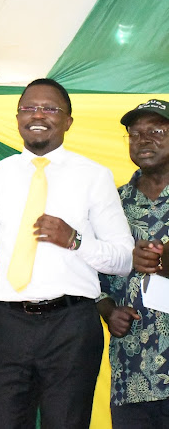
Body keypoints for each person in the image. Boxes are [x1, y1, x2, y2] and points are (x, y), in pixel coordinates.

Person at [0, 78, 134, 428]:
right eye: (28, 108)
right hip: (7, 325)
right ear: (18, 116)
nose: (38, 115)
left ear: (68, 120)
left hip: (71, 326)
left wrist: (76, 240)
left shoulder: (95, 177)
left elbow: (124, 257)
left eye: (50, 108)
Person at [97, 99, 169, 428]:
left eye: (156, 130)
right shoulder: (112, 203)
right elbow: (91, 278)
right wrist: (109, 311)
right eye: (135, 133)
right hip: (134, 373)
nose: (144, 140)